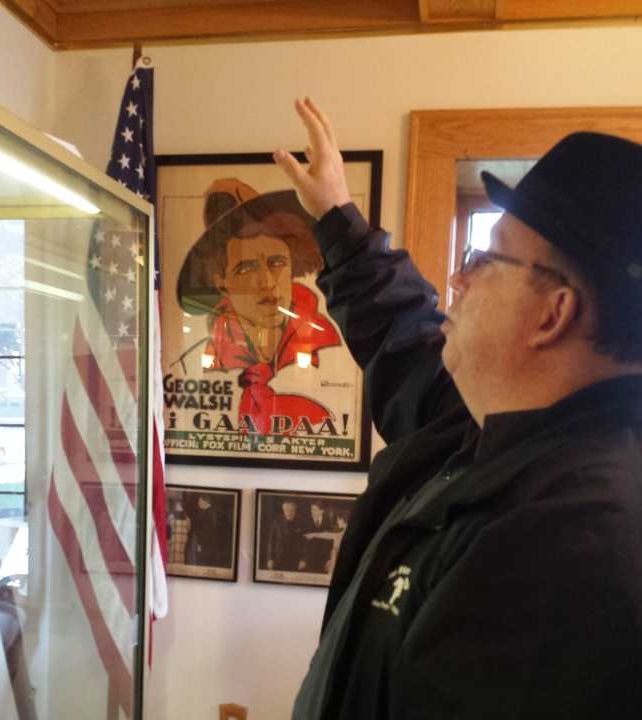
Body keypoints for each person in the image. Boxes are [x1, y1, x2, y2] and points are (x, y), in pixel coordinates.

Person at [273, 97, 642, 719]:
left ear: (554, 312)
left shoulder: (571, 542)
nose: (458, 280)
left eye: (484, 258)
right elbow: (410, 343)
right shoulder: (494, 428)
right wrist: (338, 220)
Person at [174, 178, 341, 434]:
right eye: (247, 267)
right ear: (222, 282)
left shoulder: (333, 354)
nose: (266, 282)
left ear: (292, 269)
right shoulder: (191, 366)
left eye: (277, 263)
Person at [265, 499, 305, 572]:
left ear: (295, 510)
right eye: (286, 510)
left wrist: (303, 559)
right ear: (283, 510)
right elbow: (271, 542)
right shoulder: (276, 522)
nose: (289, 513)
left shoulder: (301, 522)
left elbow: (304, 543)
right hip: (278, 559)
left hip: (295, 560)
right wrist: (270, 559)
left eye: (291, 510)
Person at [301, 501, 334, 573]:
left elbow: (330, 542)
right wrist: (303, 559)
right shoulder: (306, 522)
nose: (312, 512)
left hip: (323, 559)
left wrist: (329, 559)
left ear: (322, 511)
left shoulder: (328, 523)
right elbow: (303, 543)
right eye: (311, 509)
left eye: (315, 509)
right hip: (309, 559)